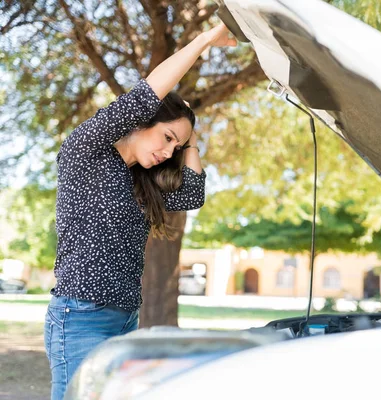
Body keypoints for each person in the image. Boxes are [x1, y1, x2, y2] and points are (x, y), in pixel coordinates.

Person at [44, 23, 237, 400]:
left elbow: (190, 196)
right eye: (166, 138)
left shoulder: (141, 180)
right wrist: (204, 40)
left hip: (126, 316)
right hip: (81, 315)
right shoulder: (87, 151)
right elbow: (146, 96)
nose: (169, 153)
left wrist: (188, 137)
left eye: (175, 148)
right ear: (140, 121)